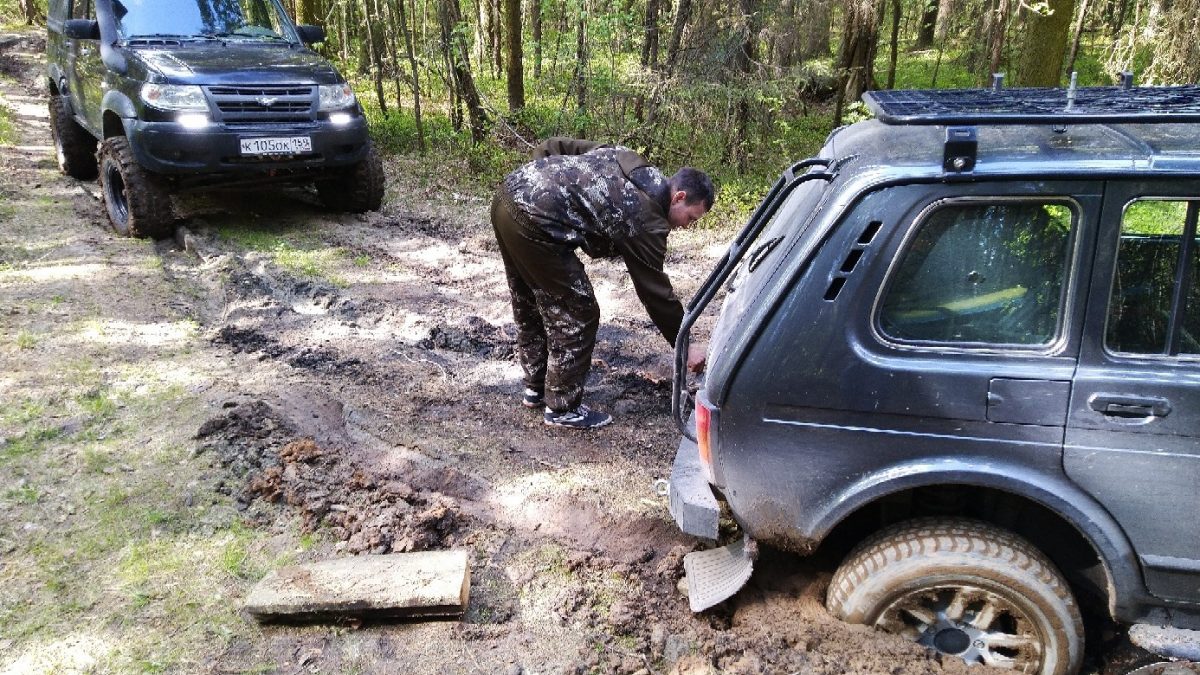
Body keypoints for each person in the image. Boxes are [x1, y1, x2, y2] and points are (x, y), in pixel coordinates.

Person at [491, 137, 714, 430]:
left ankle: (535, 387)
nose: (687, 226)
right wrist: (685, 344)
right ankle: (562, 407)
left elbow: (557, 145)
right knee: (578, 310)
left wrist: (539, 180)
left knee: (529, 298)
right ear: (678, 197)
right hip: (536, 222)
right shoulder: (646, 219)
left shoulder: (630, 160)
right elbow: (655, 292)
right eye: (691, 218)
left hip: (508, 195)